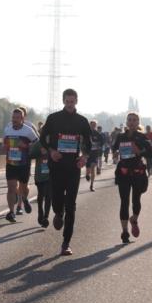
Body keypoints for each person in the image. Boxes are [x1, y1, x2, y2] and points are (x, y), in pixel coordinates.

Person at [39, 89, 92, 256]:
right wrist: (51, 151)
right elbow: (42, 138)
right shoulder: (53, 118)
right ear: (63, 101)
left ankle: (66, 243)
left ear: (76, 101)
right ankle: (57, 212)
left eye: (72, 101)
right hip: (56, 165)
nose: (70, 104)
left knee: (71, 205)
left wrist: (85, 157)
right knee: (57, 199)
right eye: (67, 101)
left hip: (73, 167)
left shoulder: (82, 121)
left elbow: (89, 144)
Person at [113, 112, 152, 243]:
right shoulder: (120, 136)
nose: (131, 122)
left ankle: (134, 219)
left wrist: (139, 152)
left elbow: (151, 153)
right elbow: (114, 148)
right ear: (126, 122)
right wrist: (115, 154)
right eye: (129, 120)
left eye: (134, 120)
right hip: (124, 172)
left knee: (136, 200)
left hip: (137, 173)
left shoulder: (142, 137)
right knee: (124, 201)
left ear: (138, 123)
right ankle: (125, 232)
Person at [2, 108, 39, 223]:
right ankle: (11, 212)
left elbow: (37, 144)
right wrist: (4, 146)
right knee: (11, 188)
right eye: (13, 118)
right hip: (11, 163)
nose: (15, 120)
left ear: (22, 119)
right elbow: (4, 142)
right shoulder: (7, 129)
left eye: (17, 118)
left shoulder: (28, 131)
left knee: (23, 187)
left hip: (24, 164)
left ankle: (24, 198)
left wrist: (26, 146)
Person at [29, 135, 52, 228]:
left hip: (51, 174)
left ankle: (46, 217)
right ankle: (40, 212)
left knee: (49, 196)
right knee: (41, 195)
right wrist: (39, 153)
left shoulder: (54, 142)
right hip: (40, 174)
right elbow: (30, 155)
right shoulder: (38, 144)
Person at [85, 119, 103, 192]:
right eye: (92, 125)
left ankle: (92, 185)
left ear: (96, 126)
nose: (93, 126)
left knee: (93, 169)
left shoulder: (98, 134)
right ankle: (87, 174)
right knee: (88, 170)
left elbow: (102, 142)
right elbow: (82, 143)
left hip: (94, 154)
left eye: (94, 125)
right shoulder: (86, 133)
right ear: (89, 125)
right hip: (87, 154)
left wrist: (98, 146)